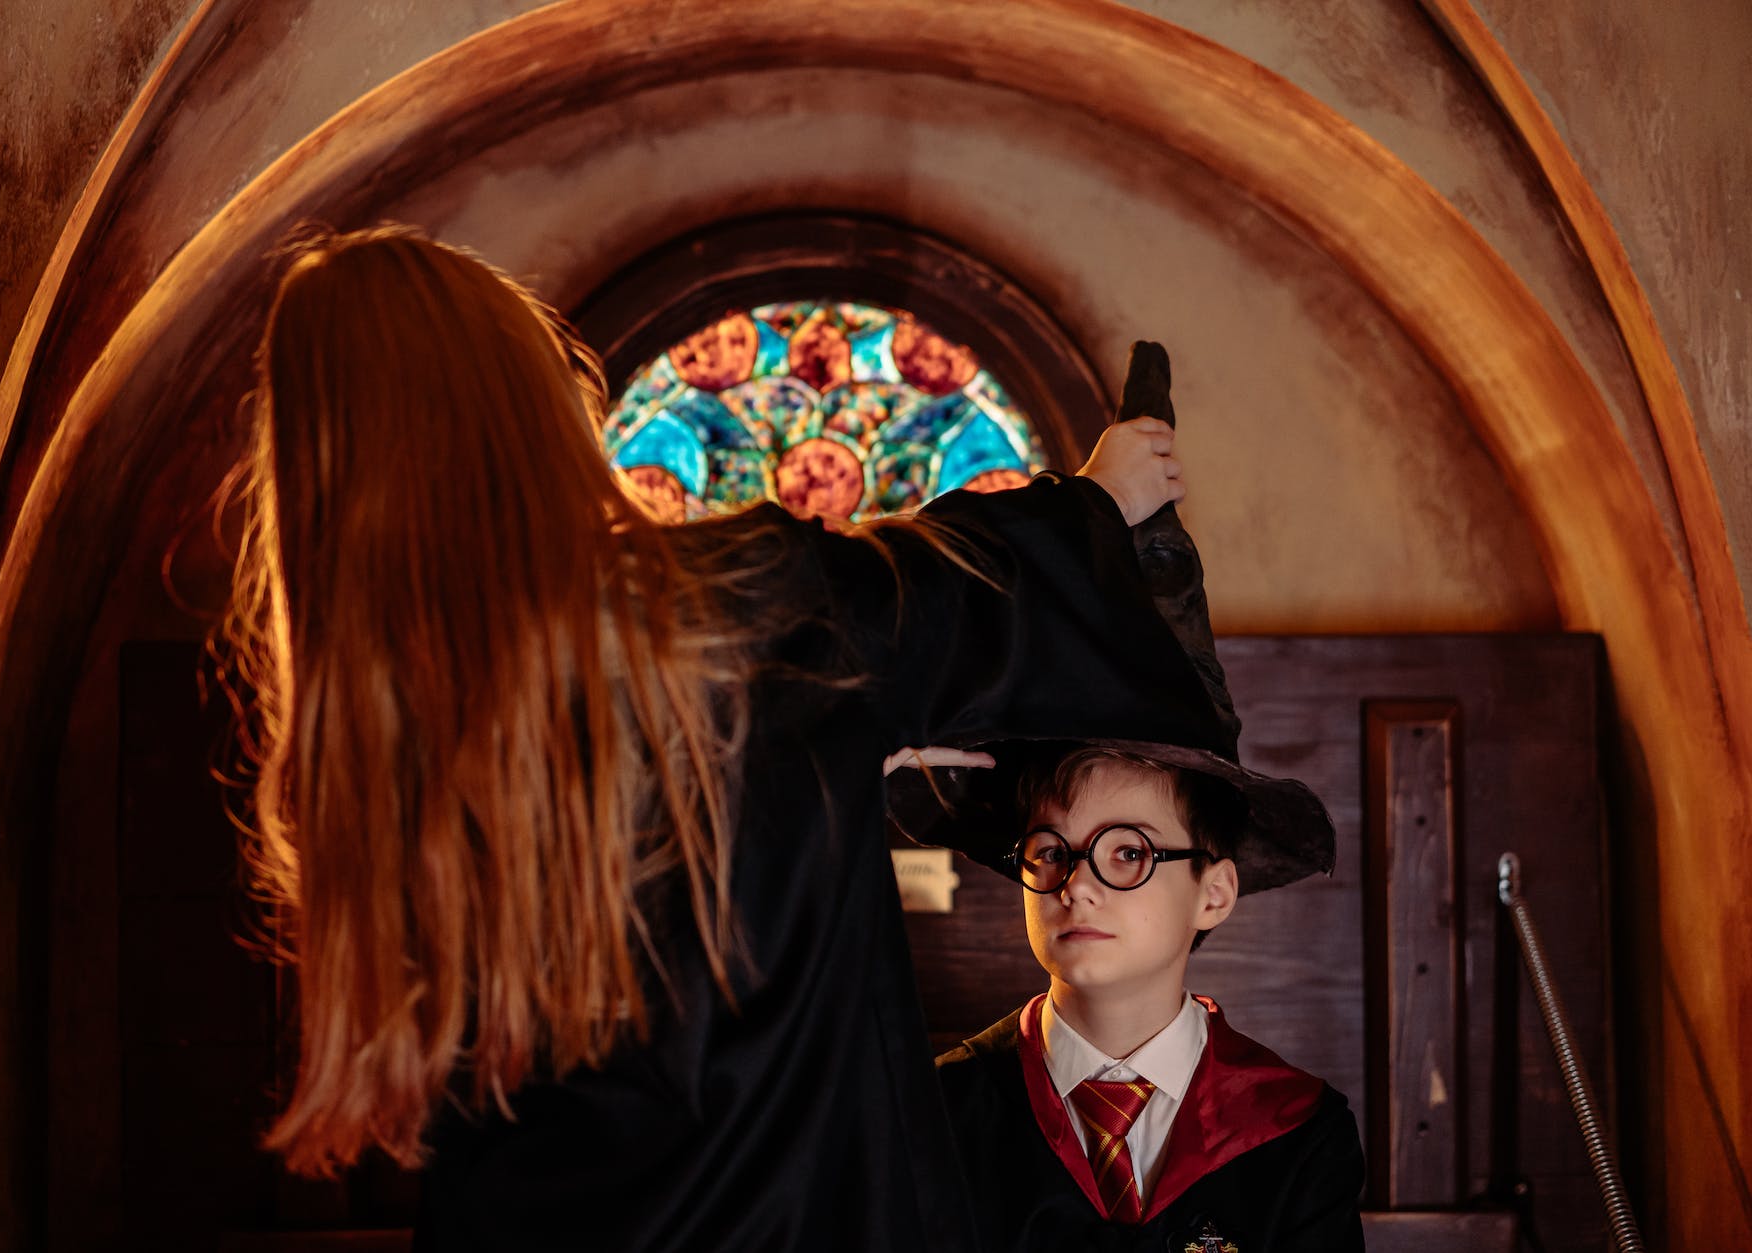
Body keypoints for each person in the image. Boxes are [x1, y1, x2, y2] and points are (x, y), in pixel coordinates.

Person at [220, 223, 1202, 1252]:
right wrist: (1098, 501)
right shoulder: (732, 615)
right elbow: (946, 597)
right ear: (521, 412)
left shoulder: (380, 753)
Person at [927, 741, 1365, 1253]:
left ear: (1214, 894)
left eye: (1130, 853)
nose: (1077, 886)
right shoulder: (937, 1110)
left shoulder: (1300, 1131)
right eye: (1051, 852)